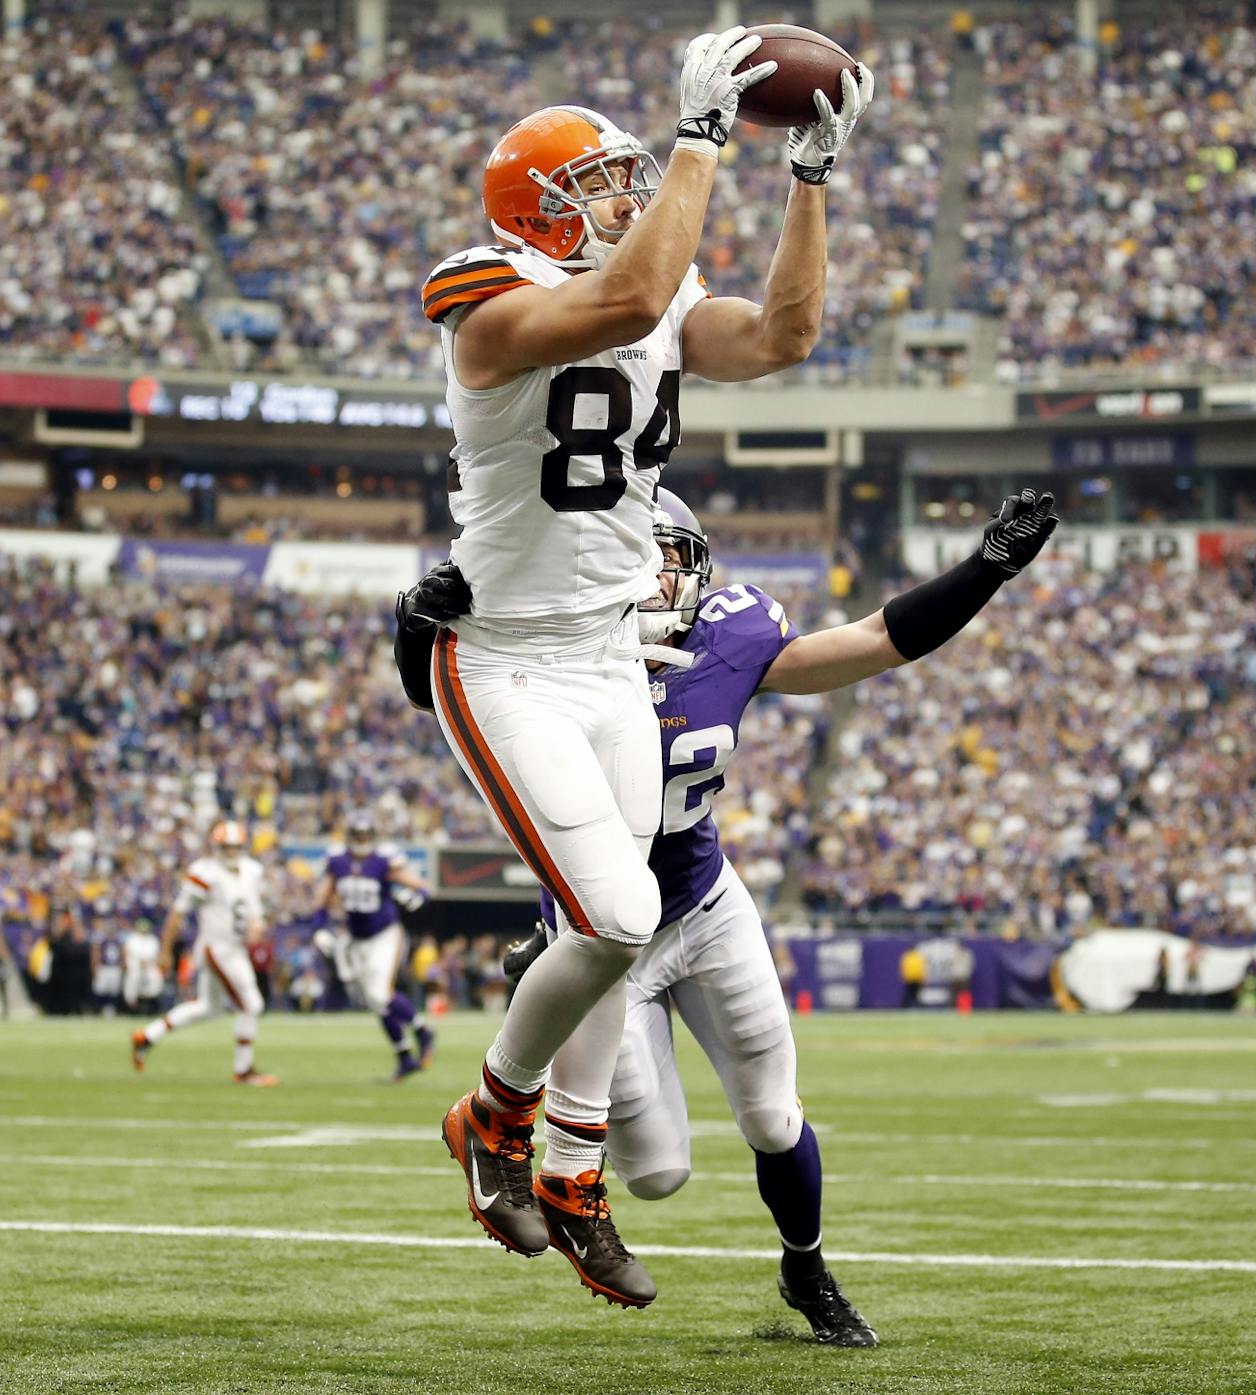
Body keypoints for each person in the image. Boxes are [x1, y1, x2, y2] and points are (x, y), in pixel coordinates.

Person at [399, 31, 871, 1309]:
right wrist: (702, 144)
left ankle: (571, 1173)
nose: (623, 198)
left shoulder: (654, 282)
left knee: (619, 926)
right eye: (597, 184)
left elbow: (782, 337)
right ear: (533, 210)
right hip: (505, 658)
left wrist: (809, 180)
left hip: (611, 651)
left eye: (628, 179)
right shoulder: (484, 294)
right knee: (613, 916)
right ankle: (493, 1117)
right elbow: (618, 306)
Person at [506, 485, 1059, 1341]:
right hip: (607, 939)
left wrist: (983, 571)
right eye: (635, 556)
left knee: (772, 1114)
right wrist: (417, 622)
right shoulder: (553, 658)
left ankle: (807, 1269)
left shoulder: (730, 636)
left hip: (704, 903)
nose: (653, 577)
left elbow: (874, 641)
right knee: (656, 1174)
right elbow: (450, 688)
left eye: (668, 557)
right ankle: (544, 983)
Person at [129, 821, 278, 1085]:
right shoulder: (205, 873)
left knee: (209, 1008)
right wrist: (165, 950)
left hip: (236, 948)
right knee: (251, 1004)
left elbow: (255, 911)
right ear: (216, 847)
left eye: (235, 847)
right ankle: (244, 1070)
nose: (231, 852)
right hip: (218, 948)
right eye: (226, 847)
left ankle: (147, 1036)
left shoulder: (251, 870)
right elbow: (178, 912)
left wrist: (258, 925)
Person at [315, 810, 435, 1080]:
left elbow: (420, 886)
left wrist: (418, 896)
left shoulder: (382, 861)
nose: (361, 840)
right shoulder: (338, 862)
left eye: (365, 835)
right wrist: (320, 928)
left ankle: (422, 1031)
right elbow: (322, 899)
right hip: (357, 939)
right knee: (374, 1000)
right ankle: (405, 1056)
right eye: (357, 835)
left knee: (380, 995)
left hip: (385, 934)